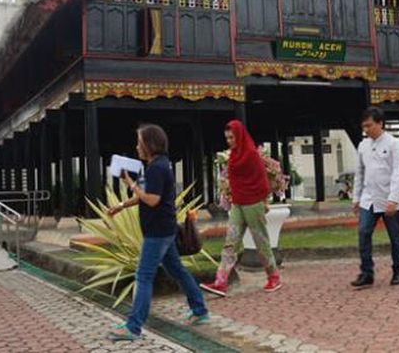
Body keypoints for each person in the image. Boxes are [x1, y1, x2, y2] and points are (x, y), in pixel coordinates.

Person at [107, 124, 209, 342]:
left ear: (149, 144)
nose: (136, 147)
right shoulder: (157, 165)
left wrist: (131, 184)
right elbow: (146, 194)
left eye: (139, 142)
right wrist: (122, 205)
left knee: (143, 277)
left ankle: (133, 328)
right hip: (165, 229)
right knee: (178, 270)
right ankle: (200, 311)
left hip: (158, 231)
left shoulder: (157, 168)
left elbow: (152, 199)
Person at [200, 120, 282, 297]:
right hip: (238, 203)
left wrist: (264, 201)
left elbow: (262, 180)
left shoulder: (251, 154)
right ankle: (220, 281)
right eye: (227, 138)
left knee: (261, 241)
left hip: (254, 203)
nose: (229, 141)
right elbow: (234, 181)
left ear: (239, 136)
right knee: (231, 241)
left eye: (232, 137)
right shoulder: (234, 156)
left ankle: (273, 276)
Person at [351, 106, 399, 288]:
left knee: (395, 236)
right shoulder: (363, 145)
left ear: (380, 123)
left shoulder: (394, 144)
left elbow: (398, 173)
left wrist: (393, 199)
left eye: (369, 125)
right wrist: (356, 198)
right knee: (363, 233)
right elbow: (359, 173)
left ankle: (398, 270)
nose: (366, 130)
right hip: (368, 198)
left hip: (389, 198)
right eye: (364, 126)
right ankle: (367, 272)